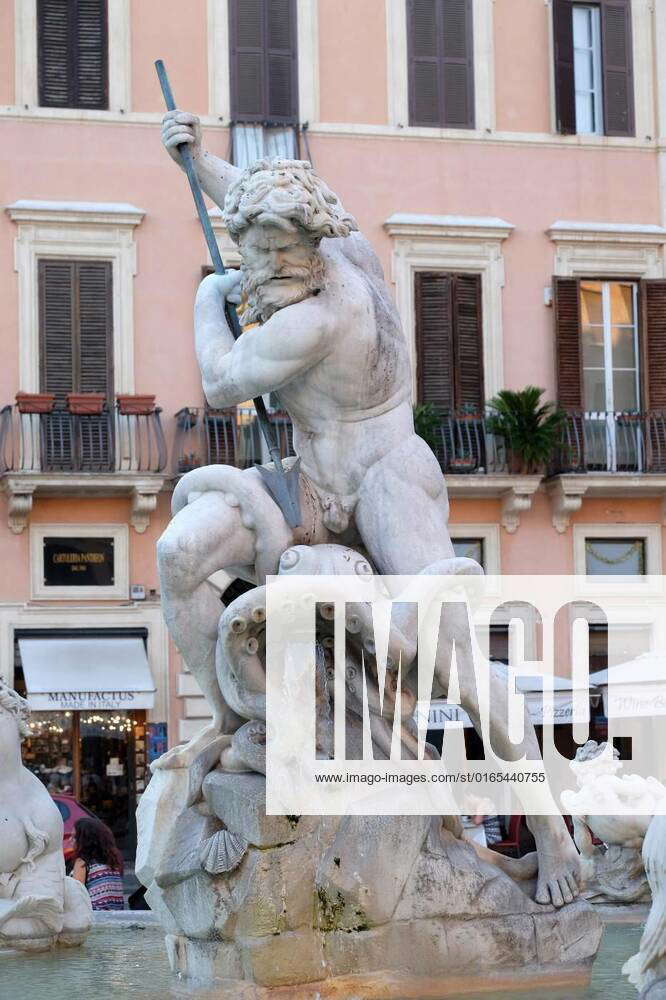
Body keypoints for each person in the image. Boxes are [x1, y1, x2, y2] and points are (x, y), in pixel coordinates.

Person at [156, 110, 582, 909]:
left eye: (273, 256)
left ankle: (552, 830)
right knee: (180, 556)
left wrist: (209, 297)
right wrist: (202, 164)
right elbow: (251, 203)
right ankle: (235, 719)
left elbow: (220, 381)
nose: (258, 267)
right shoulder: (334, 234)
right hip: (307, 483)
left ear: (308, 250)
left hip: (386, 479)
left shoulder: (320, 314)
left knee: (451, 660)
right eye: (251, 252)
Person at [70, 817, 124, 911]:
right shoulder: (113, 862)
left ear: (85, 840)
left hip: (93, 918)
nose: (70, 840)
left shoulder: (82, 863)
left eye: (74, 837)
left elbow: (75, 897)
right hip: (116, 917)